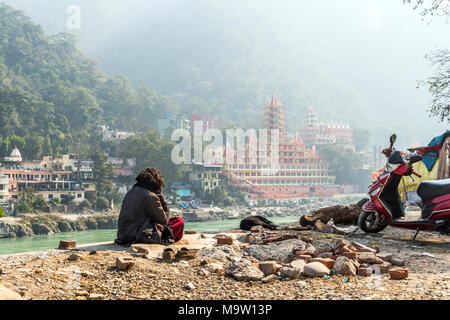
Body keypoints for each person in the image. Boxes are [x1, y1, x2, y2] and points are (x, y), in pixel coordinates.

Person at [115, 168, 184, 246]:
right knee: (179, 222)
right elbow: (164, 220)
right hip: (138, 235)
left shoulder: (131, 191)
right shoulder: (150, 196)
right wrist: (161, 197)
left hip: (123, 235)